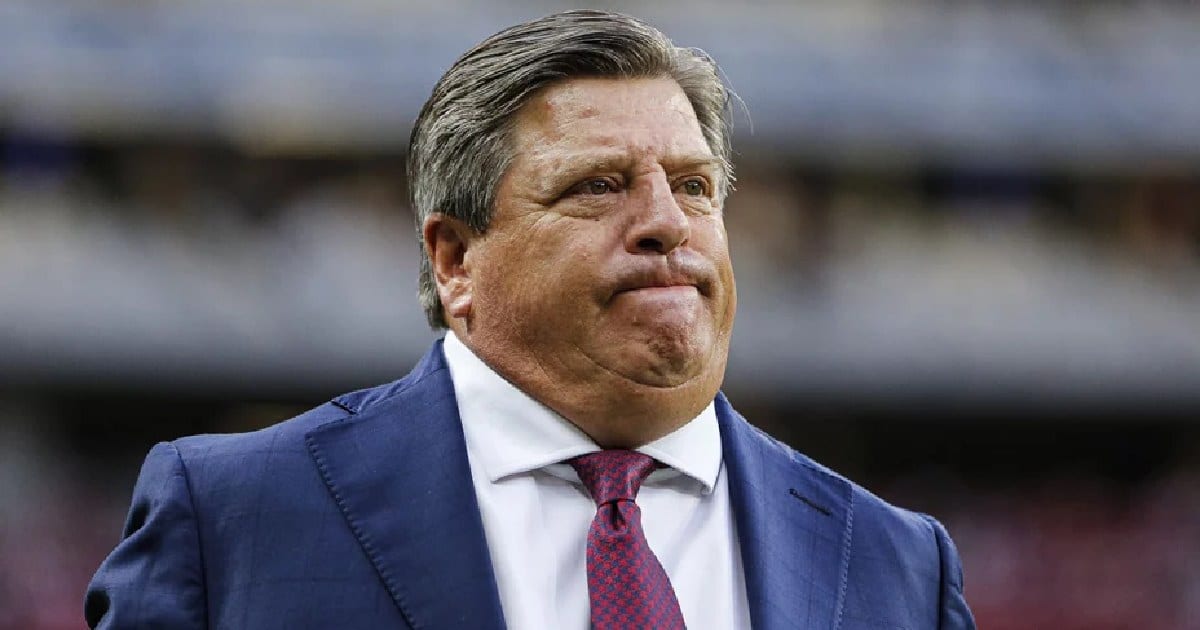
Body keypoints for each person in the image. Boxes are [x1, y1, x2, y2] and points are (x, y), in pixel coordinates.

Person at [86, 10, 974, 630]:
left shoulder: (898, 564)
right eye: (599, 185)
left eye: (695, 186)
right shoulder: (232, 518)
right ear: (455, 259)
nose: (667, 222)